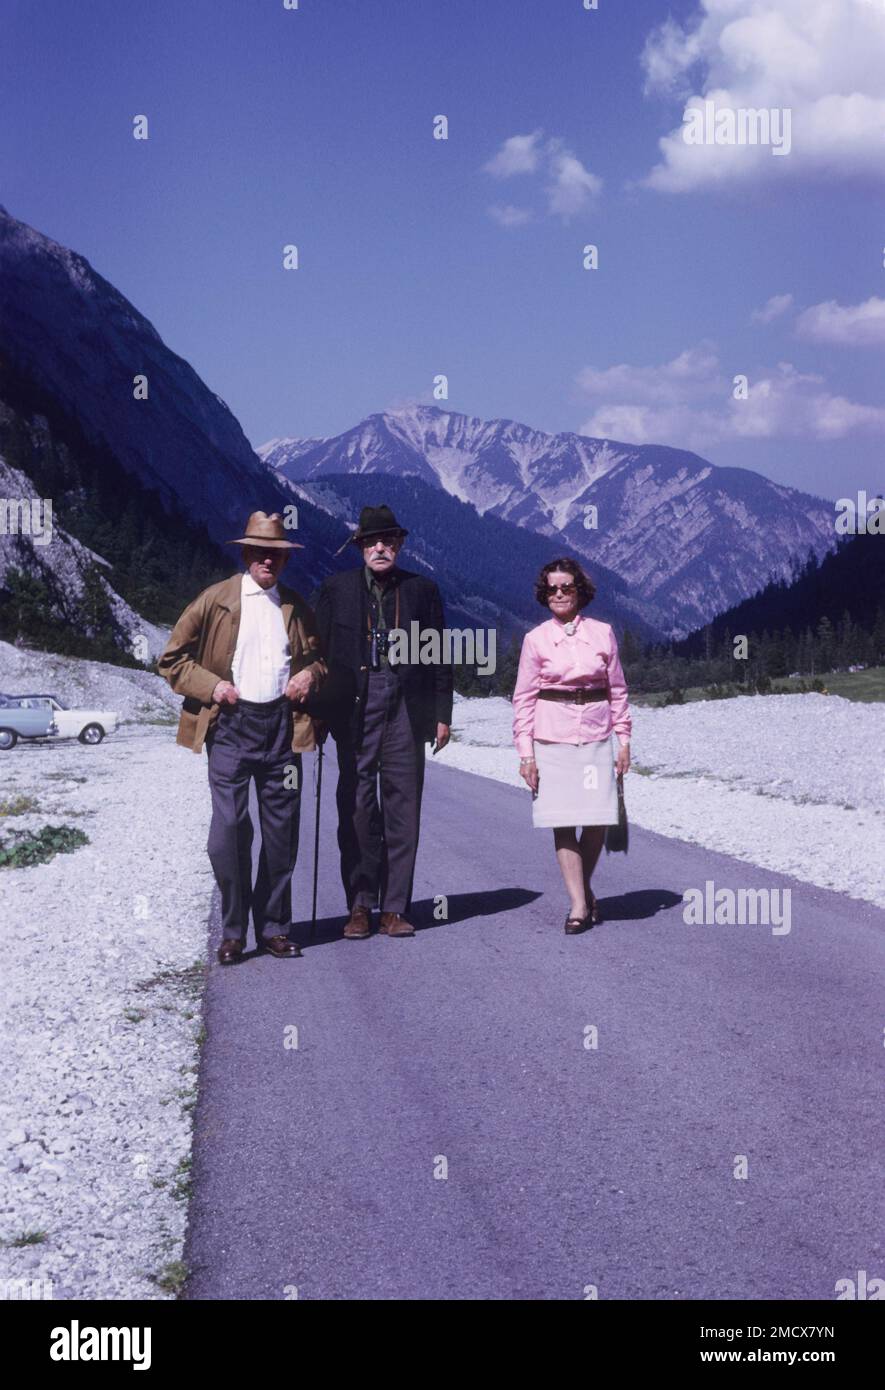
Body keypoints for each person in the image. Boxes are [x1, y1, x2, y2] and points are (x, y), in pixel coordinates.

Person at [159, 511, 327, 964]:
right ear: (245, 553)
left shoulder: (294, 605)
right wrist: (212, 686)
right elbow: (171, 659)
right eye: (259, 552)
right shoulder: (214, 600)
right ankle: (233, 931)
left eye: (276, 554)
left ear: (284, 560)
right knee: (229, 832)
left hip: (283, 733)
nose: (267, 561)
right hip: (230, 728)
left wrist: (310, 675)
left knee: (282, 832)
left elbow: (320, 660)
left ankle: (273, 928)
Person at [313, 504, 453, 939]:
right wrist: (318, 713)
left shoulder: (422, 590)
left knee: (403, 808)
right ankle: (359, 905)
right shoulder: (335, 589)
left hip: (407, 706)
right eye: (372, 541)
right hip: (354, 706)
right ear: (359, 546)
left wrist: (442, 715)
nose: (380, 548)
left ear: (400, 544)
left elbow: (440, 656)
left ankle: (394, 908)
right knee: (356, 806)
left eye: (388, 541)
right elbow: (319, 657)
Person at [512, 557, 631, 934]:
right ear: (544, 594)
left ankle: (584, 886)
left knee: (597, 817)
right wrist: (526, 755)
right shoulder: (535, 639)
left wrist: (624, 740)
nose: (559, 594)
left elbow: (618, 690)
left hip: (596, 736)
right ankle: (579, 904)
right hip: (551, 739)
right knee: (562, 822)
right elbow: (523, 699)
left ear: (580, 591)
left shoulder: (603, 633)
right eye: (552, 589)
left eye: (566, 587)